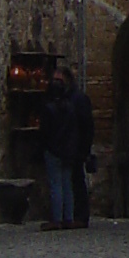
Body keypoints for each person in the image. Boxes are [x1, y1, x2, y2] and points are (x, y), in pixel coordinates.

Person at [40, 64, 76, 230]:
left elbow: (46, 131)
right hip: (67, 149)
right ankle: (68, 217)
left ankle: (57, 218)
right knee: (66, 183)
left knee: (56, 184)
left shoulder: (49, 109)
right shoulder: (69, 107)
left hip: (54, 149)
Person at [69, 71, 95, 231]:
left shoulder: (78, 100)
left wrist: (84, 148)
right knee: (75, 181)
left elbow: (86, 126)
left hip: (76, 147)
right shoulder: (74, 98)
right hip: (74, 146)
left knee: (77, 181)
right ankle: (76, 214)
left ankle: (80, 215)